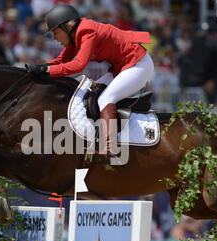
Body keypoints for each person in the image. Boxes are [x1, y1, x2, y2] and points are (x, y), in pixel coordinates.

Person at [27, 4, 154, 163]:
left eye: (55, 32)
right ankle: (95, 138)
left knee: (105, 99)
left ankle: (111, 149)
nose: (54, 38)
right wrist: (40, 68)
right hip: (123, 68)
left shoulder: (87, 32)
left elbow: (78, 65)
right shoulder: (75, 36)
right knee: (90, 92)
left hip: (139, 65)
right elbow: (61, 60)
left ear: (67, 26)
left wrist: (47, 71)